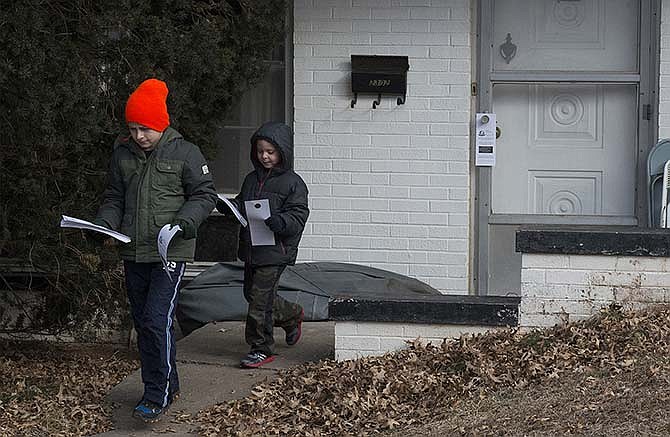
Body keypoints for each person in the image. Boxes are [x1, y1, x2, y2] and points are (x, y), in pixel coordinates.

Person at [94, 78, 217, 422]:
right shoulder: (123, 153)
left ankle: (156, 394)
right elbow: (114, 198)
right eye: (133, 128)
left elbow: (204, 195)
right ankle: (168, 383)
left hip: (170, 253)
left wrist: (184, 222)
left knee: (156, 320)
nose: (139, 136)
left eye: (146, 128)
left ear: (161, 124)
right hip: (133, 252)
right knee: (144, 323)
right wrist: (105, 223)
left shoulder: (185, 152)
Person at [217, 121, 309, 369]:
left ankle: (260, 347)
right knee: (254, 294)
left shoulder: (293, 183)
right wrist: (230, 208)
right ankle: (291, 315)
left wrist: (280, 221)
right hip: (252, 248)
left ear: (282, 151)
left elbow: (299, 215)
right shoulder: (250, 179)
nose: (265, 156)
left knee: (259, 299)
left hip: (276, 250)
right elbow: (242, 205)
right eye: (260, 151)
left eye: (270, 151)